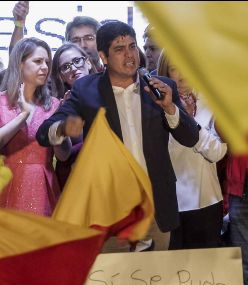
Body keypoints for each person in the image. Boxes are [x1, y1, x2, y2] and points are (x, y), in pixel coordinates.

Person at [37, 21, 199, 249]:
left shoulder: (159, 86)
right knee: (114, 280)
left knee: (157, 280)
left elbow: (191, 138)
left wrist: (170, 108)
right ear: (103, 56)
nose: (130, 55)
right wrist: (63, 129)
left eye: (132, 46)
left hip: (156, 205)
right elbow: (44, 132)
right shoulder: (86, 89)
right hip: (109, 209)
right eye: (119, 49)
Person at [0, 38, 68, 216]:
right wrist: (23, 115)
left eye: (47, 62)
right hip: (4, 183)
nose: (45, 67)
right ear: (20, 64)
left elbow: (63, 156)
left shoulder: (54, 104)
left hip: (43, 186)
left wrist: (61, 129)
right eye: (38, 61)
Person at [156, 50, 227, 249]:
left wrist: (189, 124)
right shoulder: (154, 104)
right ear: (166, 71)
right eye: (175, 67)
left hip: (206, 200)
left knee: (207, 273)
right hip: (168, 205)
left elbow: (217, 152)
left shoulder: (211, 101)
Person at [49, 43, 96, 188]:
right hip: (79, 182)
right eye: (65, 67)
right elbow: (63, 155)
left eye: (77, 61)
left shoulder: (112, 91)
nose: (73, 69)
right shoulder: (59, 107)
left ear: (87, 62)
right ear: (61, 76)